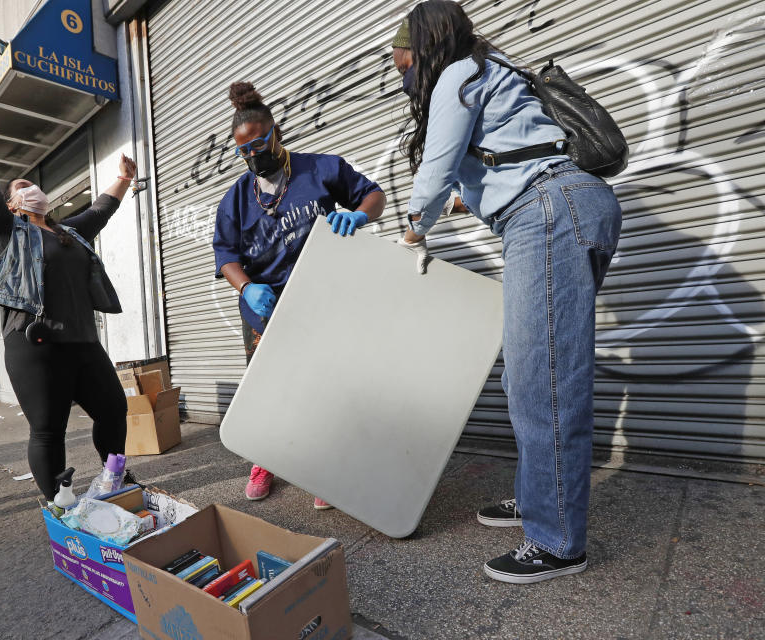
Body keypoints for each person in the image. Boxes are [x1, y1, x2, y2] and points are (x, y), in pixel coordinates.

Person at [393, 1, 622, 583]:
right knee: (529, 375)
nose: (399, 74)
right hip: (564, 206)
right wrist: (466, 200)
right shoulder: (491, 69)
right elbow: (516, 152)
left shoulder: (456, 74)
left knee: (544, 379)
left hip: (548, 213)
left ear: (424, 48)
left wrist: (414, 227)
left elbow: (439, 163)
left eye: (401, 62)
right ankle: (541, 501)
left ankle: (558, 543)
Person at [0, 81, 135, 501]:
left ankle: (114, 478)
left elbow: (100, 210)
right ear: (11, 205)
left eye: (32, 183)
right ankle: (60, 502)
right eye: (20, 187)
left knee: (113, 411)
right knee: (50, 429)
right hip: (36, 344)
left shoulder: (69, 233)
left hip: (84, 341)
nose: (30, 187)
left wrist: (123, 179)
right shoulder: (3, 232)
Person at [213, 82, 387, 508]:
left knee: (328, 383)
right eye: (244, 150)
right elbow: (226, 254)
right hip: (265, 307)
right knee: (269, 387)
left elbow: (374, 195)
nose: (255, 154)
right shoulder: (236, 199)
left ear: (277, 133)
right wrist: (247, 287)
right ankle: (265, 460)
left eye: (259, 143)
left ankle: (323, 466)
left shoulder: (322, 169)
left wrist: (359, 216)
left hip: (323, 297)